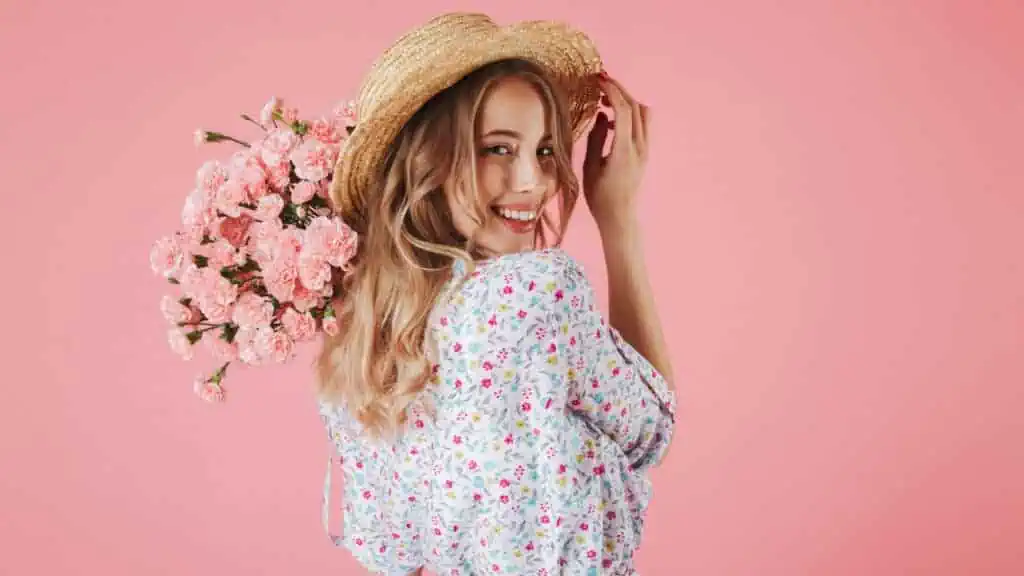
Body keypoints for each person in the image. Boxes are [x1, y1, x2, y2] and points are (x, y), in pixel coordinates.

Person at [316, 12, 676, 576]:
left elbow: (391, 555)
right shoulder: (538, 292)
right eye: (498, 150)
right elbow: (652, 426)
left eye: (545, 150)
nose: (533, 181)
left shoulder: (361, 329)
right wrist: (619, 221)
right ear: (428, 160)